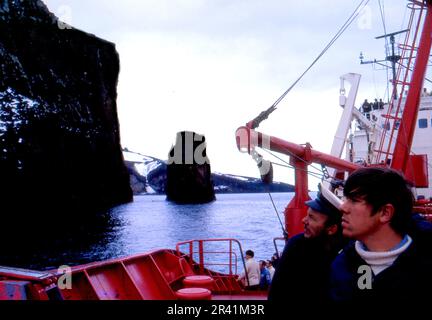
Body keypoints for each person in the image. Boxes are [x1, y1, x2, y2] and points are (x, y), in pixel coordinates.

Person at [330, 167, 432, 302]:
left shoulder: (426, 261)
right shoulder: (344, 265)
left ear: (385, 213)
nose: (342, 207)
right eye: (346, 198)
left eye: (354, 200)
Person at [268, 186, 345, 302]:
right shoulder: (296, 245)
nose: (304, 220)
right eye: (307, 215)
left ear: (332, 229)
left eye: (311, 217)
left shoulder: (350, 252)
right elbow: (277, 290)